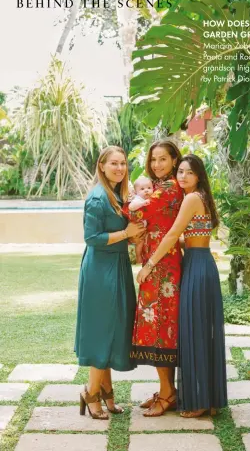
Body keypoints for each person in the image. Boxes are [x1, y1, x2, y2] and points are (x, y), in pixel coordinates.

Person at [137, 154, 228, 418]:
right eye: (181, 172)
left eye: (189, 173)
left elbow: (174, 233)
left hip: (197, 267)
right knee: (201, 332)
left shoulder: (190, 198)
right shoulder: (202, 197)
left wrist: (149, 264)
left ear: (198, 176)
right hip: (202, 264)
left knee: (195, 333)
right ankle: (206, 398)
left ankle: (198, 402)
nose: (183, 177)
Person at [75, 146, 145, 419]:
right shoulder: (97, 198)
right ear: (101, 166)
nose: (119, 168)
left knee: (113, 328)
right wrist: (125, 233)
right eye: (113, 163)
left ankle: (106, 392)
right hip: (100, 270)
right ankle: (90, 393)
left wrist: (132, 236)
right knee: (102, 330)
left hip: (116, 266)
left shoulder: (117, 194)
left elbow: (116, 231)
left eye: (123, 163)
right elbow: (92, 238)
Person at [129, 139, 184, 417]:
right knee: (160, 325)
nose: (157, 164)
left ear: (174, 160)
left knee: (162, 326)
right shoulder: (160, 187)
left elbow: (136, 210)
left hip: (162, 264)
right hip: (158, 261)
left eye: (162, 159)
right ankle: (165, 390)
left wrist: (123, 201)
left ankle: (167, 394)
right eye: (153, 160)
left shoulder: (170, 188)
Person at [124, 176, 153, 263]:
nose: (146, 190)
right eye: (142, 189)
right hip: (136, 227)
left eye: (149, 188)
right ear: (136, 192)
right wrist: (142, 203)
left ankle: (140, 256)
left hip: (142, 228)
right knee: (139, 243)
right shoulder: (138, 199)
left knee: (141, 243)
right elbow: (131, 207)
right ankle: (138, 256)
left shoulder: (149, 199)